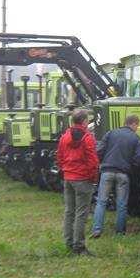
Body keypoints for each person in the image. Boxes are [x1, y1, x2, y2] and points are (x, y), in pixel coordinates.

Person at [91, 114, 140, 238]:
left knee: (101, 201)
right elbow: (139, 160)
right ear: (134, 124)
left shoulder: (110, 133)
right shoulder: (137, 139)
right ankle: (120, 233)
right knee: (122, 204)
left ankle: (97, 229)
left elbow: (99, 151)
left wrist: (103, 163)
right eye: (137, 125)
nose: (137, 128)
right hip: (123, 174)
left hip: (107, 171)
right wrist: (131, 170)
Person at [56, 109, 99, 256]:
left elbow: (59, 156)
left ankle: (69, 242)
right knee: (81, 213)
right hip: (82, 178)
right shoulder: (87, 138)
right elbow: (92, 161)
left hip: (68, 178)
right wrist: (93, 178)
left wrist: (66, 169)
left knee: (69, 212)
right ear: (84, 121)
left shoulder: (65, 136)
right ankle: (79, 245)